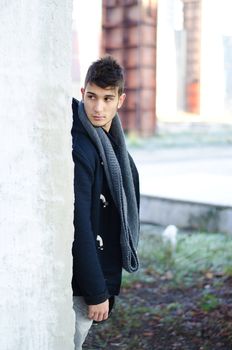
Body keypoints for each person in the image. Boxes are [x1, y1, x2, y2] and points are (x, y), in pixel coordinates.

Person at [71, 55, 140, 350]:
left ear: (120, 100)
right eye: (91, 97)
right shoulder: (81, 147)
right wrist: (96, 291)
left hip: (98, 270)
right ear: (82, 91)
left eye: (107, 99)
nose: (98, 108)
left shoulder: (111, 142)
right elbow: (79, 225)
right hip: (82, 283)